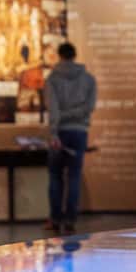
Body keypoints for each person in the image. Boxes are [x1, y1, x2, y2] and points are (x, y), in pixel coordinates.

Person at [43, 42, 97, 234]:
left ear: (59, 55)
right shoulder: (89, 79)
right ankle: (70, 221)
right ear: (75, 55)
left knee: (55, 176)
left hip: (59, 132)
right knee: (74, 176)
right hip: (80, 132)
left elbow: (53, 108)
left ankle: (56, 219)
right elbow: (89, 107)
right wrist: (75, 115)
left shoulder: (53, 79)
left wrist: (54, 131)